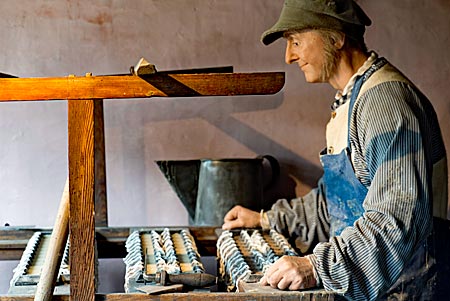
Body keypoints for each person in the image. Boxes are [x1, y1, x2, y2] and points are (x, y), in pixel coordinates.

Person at [222, 0, 449, 300]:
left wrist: (316, 267)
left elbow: (397, 218)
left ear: (337, 37)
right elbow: (334, 203)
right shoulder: (352, 100)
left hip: (406, 290)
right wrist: (266, 219)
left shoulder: (386, 103)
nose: (289, 56)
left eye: (296, 41)